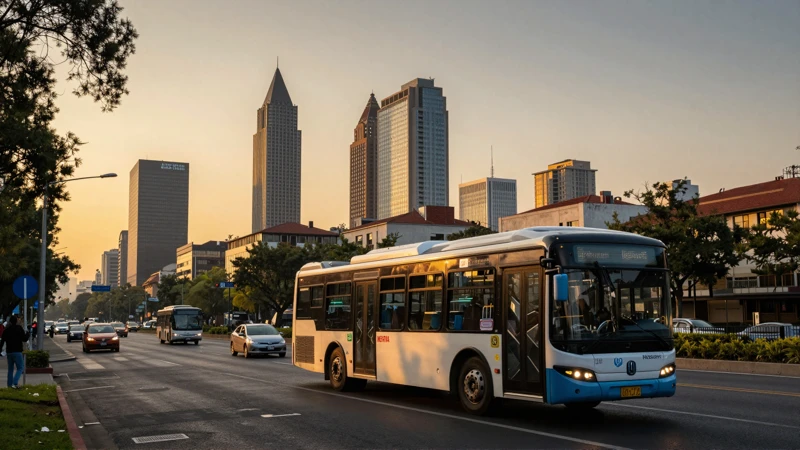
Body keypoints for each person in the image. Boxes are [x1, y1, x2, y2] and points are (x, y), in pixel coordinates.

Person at [1, 315, 30, 389]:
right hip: (17, 351)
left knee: (10, 369)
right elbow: (25, 339)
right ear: (16, 321)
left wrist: (0, 349)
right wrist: (27, 334)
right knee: (20, 368)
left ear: (10, 321)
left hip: (9, 352)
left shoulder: (6, 330)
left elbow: (2, 341)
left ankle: (9, 385)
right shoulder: (19, 328)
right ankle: (15, 383)